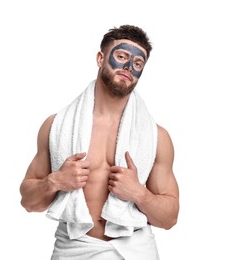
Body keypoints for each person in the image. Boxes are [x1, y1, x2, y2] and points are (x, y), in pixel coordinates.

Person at [20, 24, 179, 260]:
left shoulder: (157, 137)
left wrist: (139, 194)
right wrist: (55, 181)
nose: (128, 67)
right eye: (122, 56)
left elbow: (169, 219)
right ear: (100, 58)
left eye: (137, 64)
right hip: (74, 249)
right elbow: (28, 202)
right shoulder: (56, 127)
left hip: (135, 251)